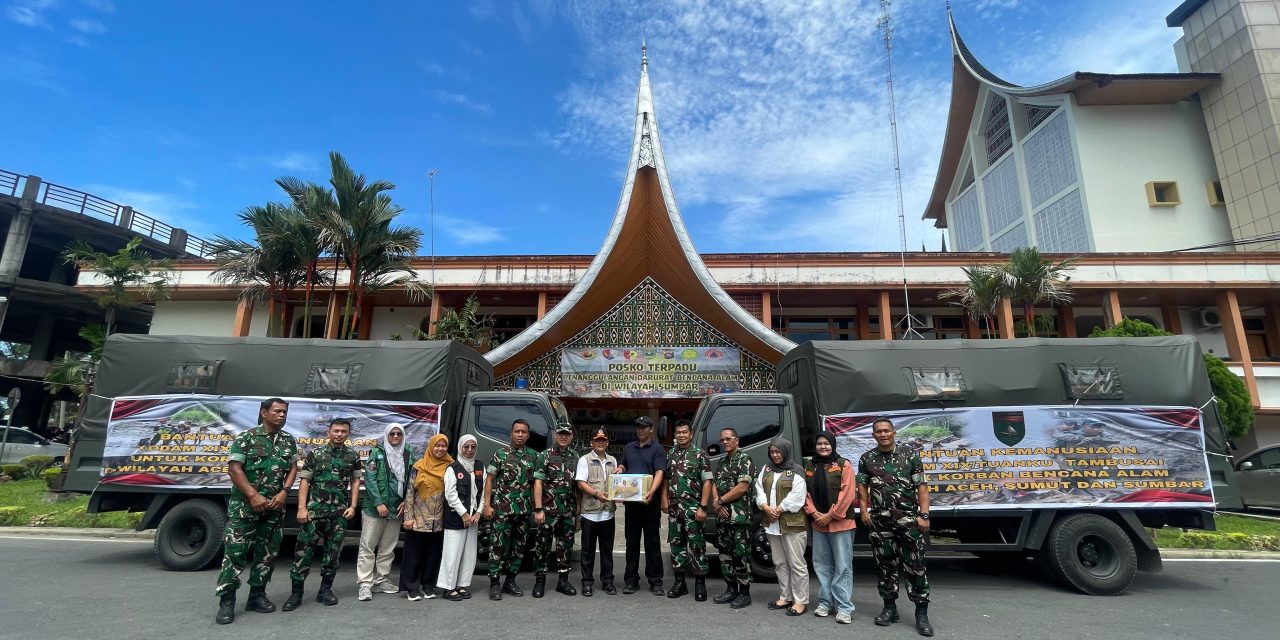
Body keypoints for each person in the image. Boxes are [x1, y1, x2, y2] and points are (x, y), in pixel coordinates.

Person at [214, 398, 299, 625]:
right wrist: (253, 495)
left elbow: (293, 467)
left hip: (273, 508)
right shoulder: (247, 437)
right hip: (245, 508)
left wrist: (284, 492)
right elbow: (234, 469)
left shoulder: (288, 440)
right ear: (264, 412)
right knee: (235, 555)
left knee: (267, 554)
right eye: (277, 411)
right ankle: (227, 601)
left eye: (285, 412)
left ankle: (257, 596)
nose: (282, 415)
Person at [857, 418, 934, 637]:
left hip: (909, 520)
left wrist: (924, 515)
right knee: (885, 565)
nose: (883, 434)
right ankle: (889, 608)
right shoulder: (867, 458)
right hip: (880, 521)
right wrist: (863, 511)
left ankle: (921, 613)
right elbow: (862, 487)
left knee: (915, 565)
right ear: (873, 435)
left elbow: (922, 487)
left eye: (886, 431)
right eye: (878, 431)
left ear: (894, 432)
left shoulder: (910, 455)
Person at [283, 417, 361, 612]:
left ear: (348, 434)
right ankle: (296, 593)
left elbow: (356, 481)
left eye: (343, 431)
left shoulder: (353, 456)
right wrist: (302, 508)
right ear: (328, 432)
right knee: (303, 554)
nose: (339, 434)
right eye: (336, 431)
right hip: (314, 513)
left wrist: (352, 506)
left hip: (339, 514)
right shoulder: (315, 454)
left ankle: (325, 591)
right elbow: (305, 482)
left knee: (333, 554)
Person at [804, 431, 857, 624]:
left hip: (841, 523)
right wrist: (814, 514)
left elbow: (847, 493)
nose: (823, 447)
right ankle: (826, 602)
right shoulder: (810, 465)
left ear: (833, 445)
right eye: (819, 443)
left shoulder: (843, 464)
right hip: (819, 524)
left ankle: (844, 607)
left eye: (827, 443)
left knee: (843, 566)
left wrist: (830, 515)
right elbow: (805, 492)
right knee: (822, 565)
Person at [357, 423, 413, 602]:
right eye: (392, 434)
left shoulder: (407, 453)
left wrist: (406, 501)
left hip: (396, 508)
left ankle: (382, 579)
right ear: (387, 435)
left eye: (399, 434)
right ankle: (365, 584)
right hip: (375, 508)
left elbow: (411, 479)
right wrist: (379, 503)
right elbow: (370, 478)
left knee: (388, 547)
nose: (395, 437)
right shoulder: (376, 453)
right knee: (368, 546)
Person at [483, 418, 537, 600]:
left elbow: (535, 484)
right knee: (498, 546)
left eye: (523, 432)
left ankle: (510, 581)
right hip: (502, 510)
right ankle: (495, 583)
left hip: (523, 511)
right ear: (511, 433)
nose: (520, 435)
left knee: (519, 548)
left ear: (528, 435)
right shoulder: (501, 454)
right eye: (517, 431)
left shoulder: (533, 456)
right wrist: (487, 504)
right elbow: (490, 479)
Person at [755, 436, 808, 616]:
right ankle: (785, 596)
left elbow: (798, 496)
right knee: (779, 563)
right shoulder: (766, 468)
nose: (775, 455)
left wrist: (777, 509)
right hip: (772, 524)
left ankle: (800, 601)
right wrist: (764, 507)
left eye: (778, 451)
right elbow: (759, 488)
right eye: (772, 452)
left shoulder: (797, 471)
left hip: (792, 524)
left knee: (796, 564)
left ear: (785, 451)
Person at [661, 419, 712, 601]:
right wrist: (664, 500)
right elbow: (667, 479)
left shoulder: (700, 455)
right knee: (677, 546)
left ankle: (700, 584)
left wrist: (703, 506)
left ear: (691, 434)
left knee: (697, 546)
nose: (681, 435)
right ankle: (679, 583)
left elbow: (707, 481)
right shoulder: (671, 454)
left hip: (693, 508)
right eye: (678, 432)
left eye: (684, 432)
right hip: (675, 509)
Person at [617, 415, 667, 595]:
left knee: (652, 543)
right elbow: (623, 464)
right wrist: (620, 470)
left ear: (651, 429)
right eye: (638, 427)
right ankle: (631, 580)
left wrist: (652, 492)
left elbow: (660, 472)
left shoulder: (657, 449)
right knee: (632, 543)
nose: (640, 430)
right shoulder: (630, 447)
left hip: (649, 504)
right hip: (632, 504)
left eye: (644, 427)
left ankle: (655, 581)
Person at [401, 433, 452, 600]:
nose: (440, 449)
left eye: (443, 446)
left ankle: (429, 586)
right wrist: (408, 517)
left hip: (439, 520)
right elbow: (409, 494)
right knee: (414, 555)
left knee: (433, 556)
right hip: (419, 518)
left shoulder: (450, 466)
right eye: (437, 445)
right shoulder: (419, 466)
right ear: (431, 446)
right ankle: (412, 588)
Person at [532, 424, 580, 597]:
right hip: (547, 511)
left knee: (565, 547)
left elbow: (577, 485)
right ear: (555, 435)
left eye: (567, 434)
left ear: (571, 437)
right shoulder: (544, 456)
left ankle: (563, 581)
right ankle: (539, 582)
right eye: (560, 433)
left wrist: (578, 509)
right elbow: (537, 482)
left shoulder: (575, 457)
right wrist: (538, 509)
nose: (564, 437)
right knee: (542, 547)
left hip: (568, 511)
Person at [711, 427, 755, 609]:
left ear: (737, 440)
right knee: (725, 555)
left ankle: (744, 593)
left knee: (740, 555)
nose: (725, 442)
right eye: (722, 440)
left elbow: (742, 487)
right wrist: (717, 503)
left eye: (728, 439)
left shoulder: (745, 460)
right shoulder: (722, 461)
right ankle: (730, 589)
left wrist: (720, 500)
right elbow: (713, 483)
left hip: (739, 518)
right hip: (723, 517)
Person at [438, 434, 484, 601]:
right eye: (466, 447)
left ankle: (462, 585)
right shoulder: (453, 468)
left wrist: (478, 512)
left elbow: (483, 493)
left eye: (472, 447)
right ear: (460, 448)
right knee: (452, 553)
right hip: (456, 517)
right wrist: (464, 513)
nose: (469, 450)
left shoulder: (479, 466)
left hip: (473, 518)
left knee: (469, 554)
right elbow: (450, 495)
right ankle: (448, 588)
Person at [576, 428, 619, 596]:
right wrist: (595, 493)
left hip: (608, 512)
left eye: (603, 439)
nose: (600, 442)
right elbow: (581, 483)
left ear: (607, 442)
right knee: (587, 551)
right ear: (591, 443)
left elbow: (616, 483)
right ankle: (587, 583)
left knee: (607, 550)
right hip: (590, 513)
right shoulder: (584, 460)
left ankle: (608, 581)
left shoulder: (613, 460)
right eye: (597, 439)